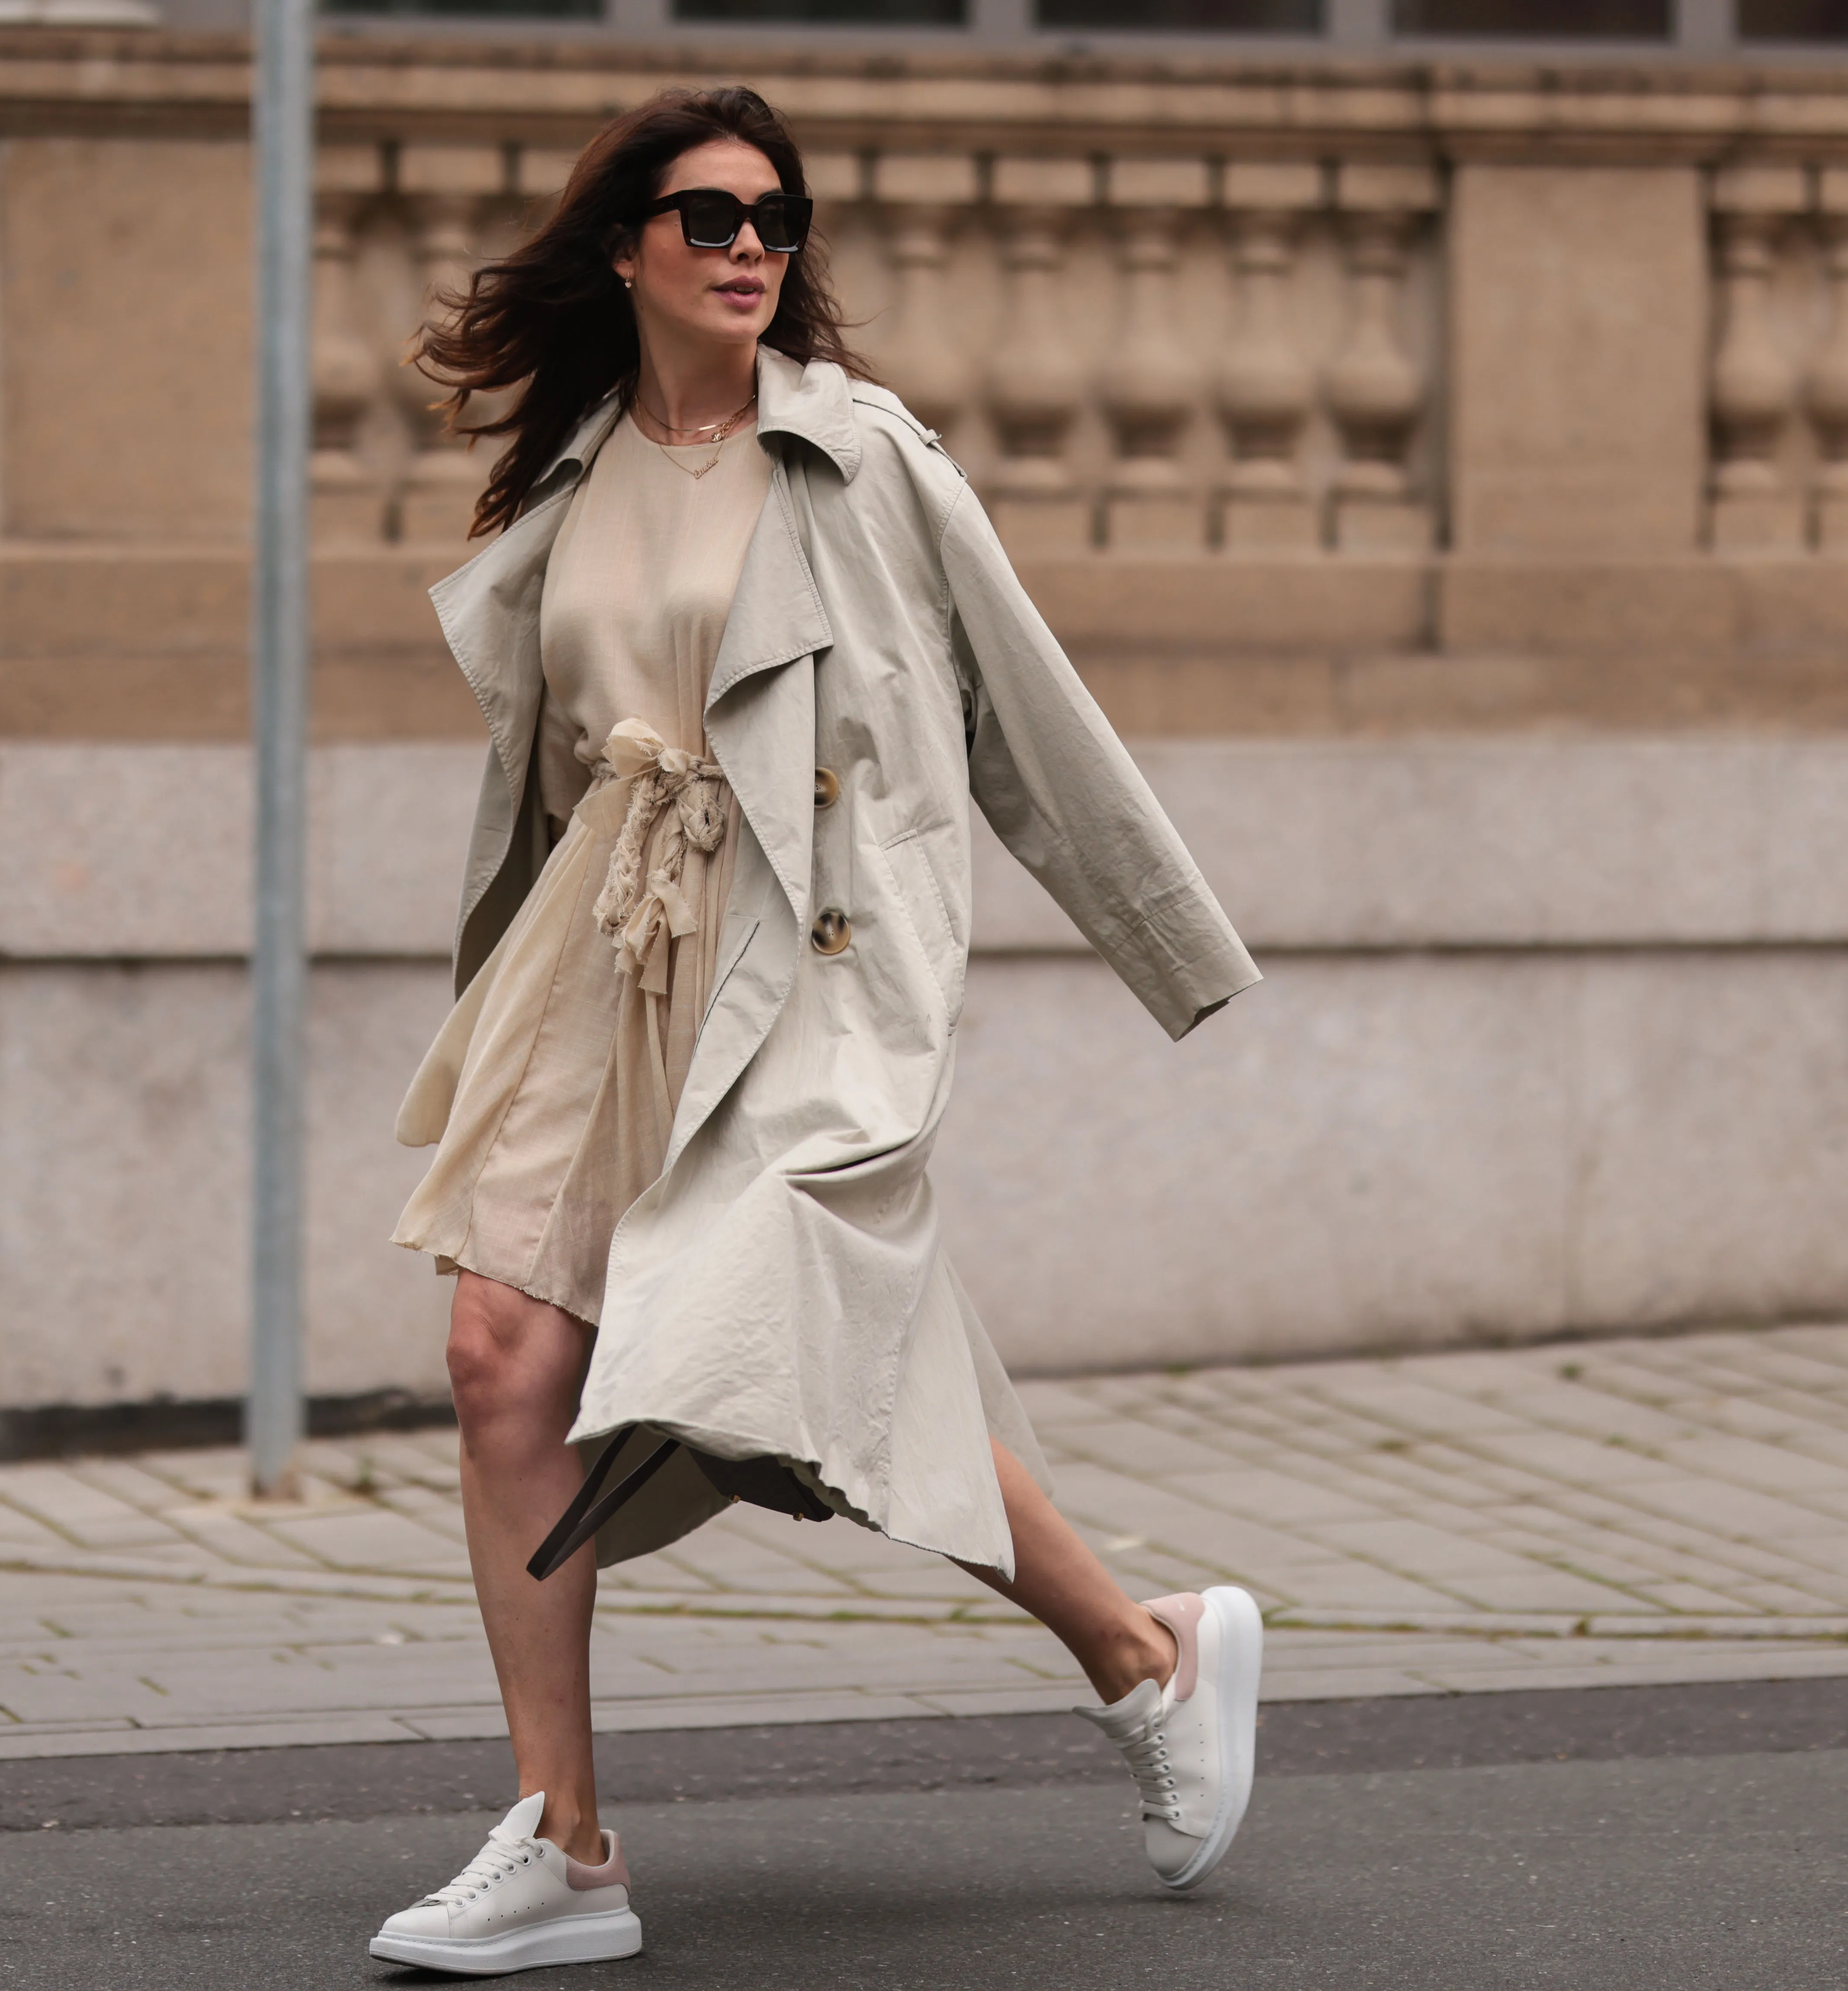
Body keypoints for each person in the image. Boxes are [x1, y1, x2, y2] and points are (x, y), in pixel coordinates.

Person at [366, 85, 1267, 1978]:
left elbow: (1025, 706)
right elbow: (546, 778)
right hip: (600, 965)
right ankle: (566, 1843)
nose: (751, 245)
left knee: (792, 1359)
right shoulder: (577, 469)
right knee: (498, 1360)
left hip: (801, 968)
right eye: (706, 217)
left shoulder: (856, 458)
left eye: (776, 214)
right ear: (625, 247)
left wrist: (1169, 945)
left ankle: (1147, 1653)